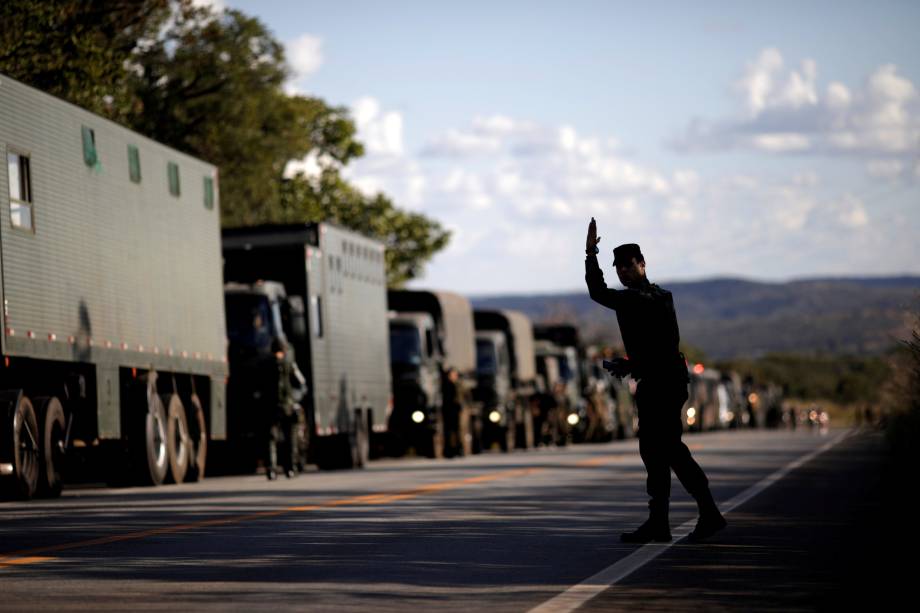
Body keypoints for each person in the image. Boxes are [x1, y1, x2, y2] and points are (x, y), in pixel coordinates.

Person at [584, 217, 726, 543]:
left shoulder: (644, 299)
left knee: (669, 450)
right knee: (656, 452)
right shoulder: (651, 297)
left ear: (642, 265)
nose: (622, 271)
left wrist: (591, 254)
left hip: (663, 385)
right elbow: (655, 346)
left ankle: (708, 513)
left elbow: (598, 292)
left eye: (627, 266)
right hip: (659, 381)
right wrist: (631, 364)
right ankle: (661, 522)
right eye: (618, 266)